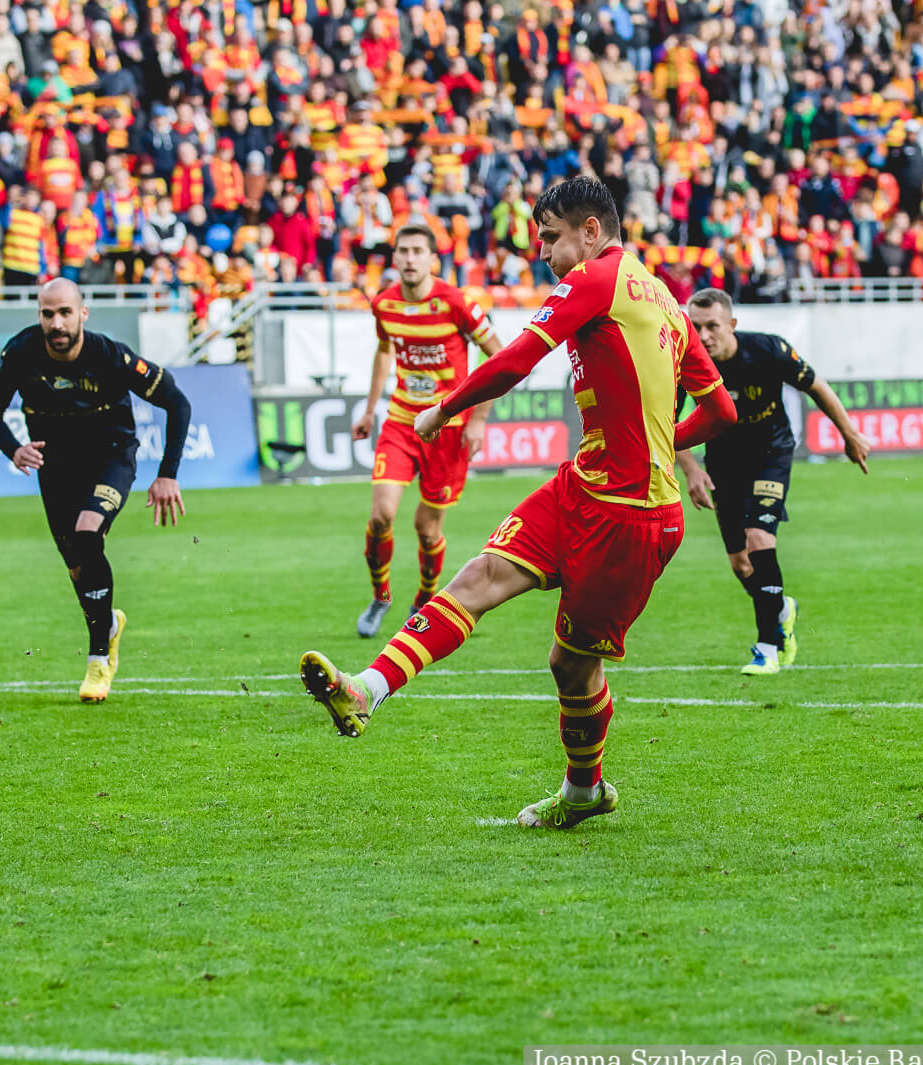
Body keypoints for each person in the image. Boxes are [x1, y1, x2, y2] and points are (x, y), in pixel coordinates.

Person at [298, 177, 738, 829]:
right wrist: (658, 444)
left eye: (552, 238)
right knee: (479, 575)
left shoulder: (595, 278)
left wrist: (444, 408)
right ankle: (366, 689)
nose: (543, 253)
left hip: (630, 516)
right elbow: (721, 410)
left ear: (592, 231)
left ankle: (584, 792)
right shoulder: (664, 300)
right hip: (583, 485)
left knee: (572, 664)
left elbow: (514, 361)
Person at [0, 278, 193, 702]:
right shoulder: (20, 352)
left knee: (88, 532)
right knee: (78, 567)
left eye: (65, 313)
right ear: (39, 315)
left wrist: (167, 473)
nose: (56, 323)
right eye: (47, 314)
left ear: (83, 314)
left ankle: (98, 661)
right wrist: (14, 449)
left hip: (111, 457)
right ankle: (108, 625)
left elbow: (177, 402)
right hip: (56, 467)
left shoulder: (110, 356)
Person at [673, 289, 871, 675]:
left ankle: (767, 649)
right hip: (724, 461)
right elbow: (666, 419)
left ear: (732, 324)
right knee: (741, 565)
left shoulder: (768, 350)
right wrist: (692, 470)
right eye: (695, 328)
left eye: (712, 326)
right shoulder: (685, 363)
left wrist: (849, 434)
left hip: (771, 454)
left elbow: (816, 385)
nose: (703, 336)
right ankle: (781, 609)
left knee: (759, 539)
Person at [349, 225, 505, 638]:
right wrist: (369, 409)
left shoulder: (456, 303)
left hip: (448, 429)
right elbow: (384, 350)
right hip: (402, 421)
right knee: (381, 516)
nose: (410, 258)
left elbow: (499, 357)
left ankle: (424, 599)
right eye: (403, 251)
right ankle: (381, 596)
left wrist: (478, 419)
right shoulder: (384, 304)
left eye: (418, 251)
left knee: (427, 527)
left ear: (433, 260)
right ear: (395, 258)